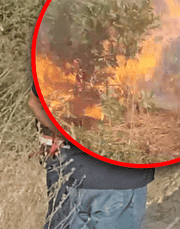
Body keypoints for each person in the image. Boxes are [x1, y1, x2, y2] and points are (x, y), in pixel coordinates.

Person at [30, 84, 155, 229]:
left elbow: (35, 102)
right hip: (116, 183)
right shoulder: (138, 69)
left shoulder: (55, 63)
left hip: (67, 174)